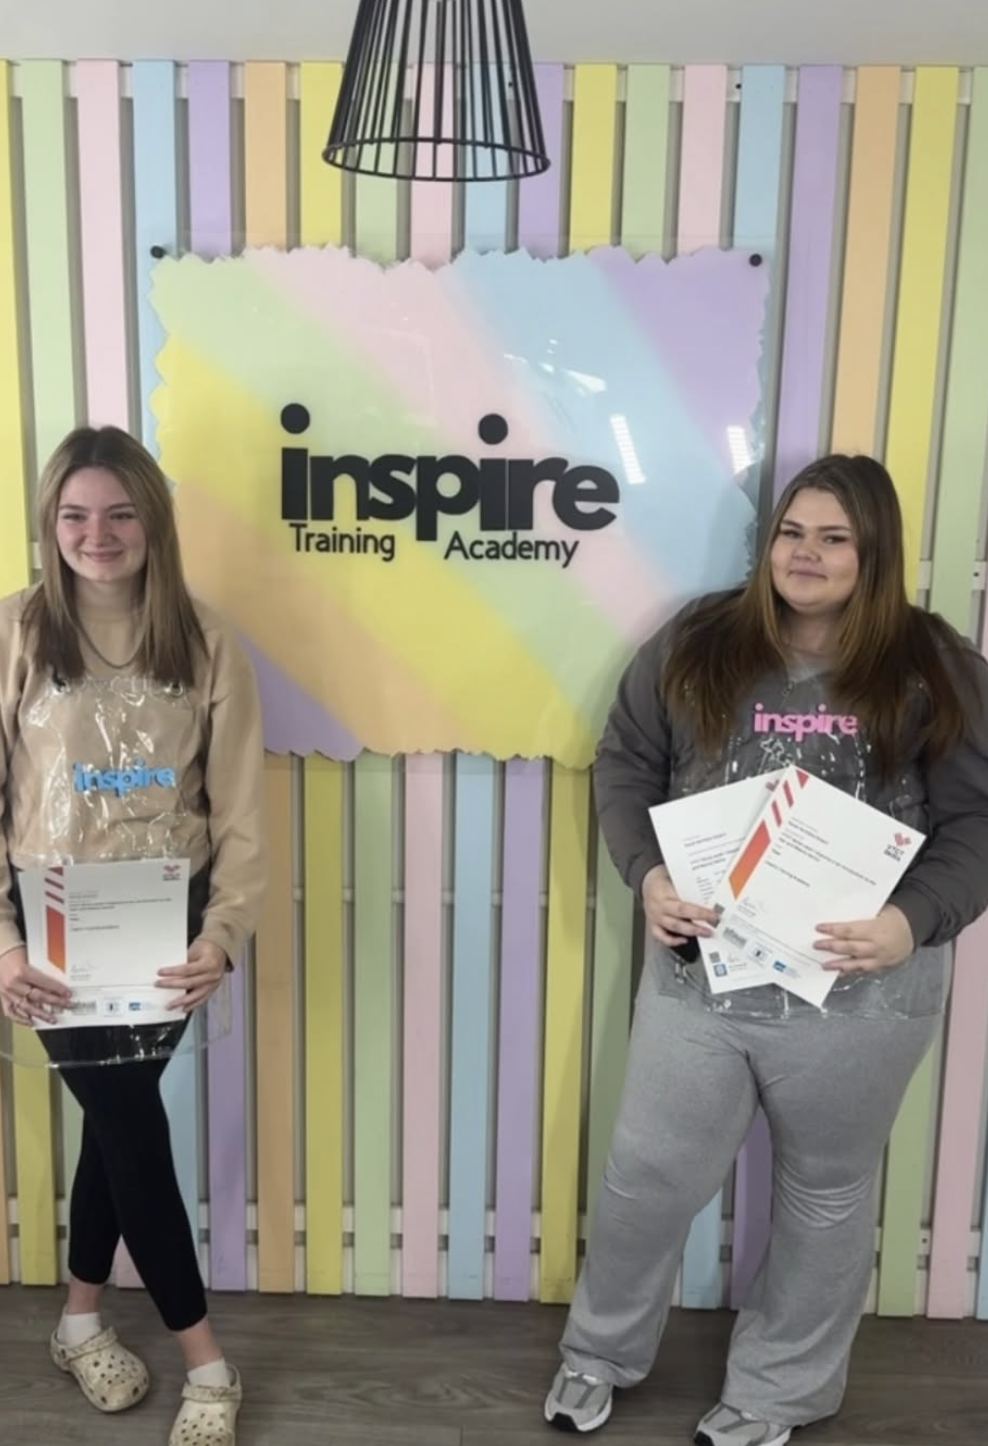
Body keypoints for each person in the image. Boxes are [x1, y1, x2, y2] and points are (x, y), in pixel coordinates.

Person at [543, 454, 988, 1446]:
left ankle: (780, 1392)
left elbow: (977, 824)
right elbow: (625, 758)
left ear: (871, 552)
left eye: (835, 538)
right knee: (645, 1176)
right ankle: (598, 1352)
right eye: (792, 532)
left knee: (826, 1197)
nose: (807, 554)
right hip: (703, 974)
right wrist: (646, 875)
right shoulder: (700, 638)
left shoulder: (934, 663)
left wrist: (909, 921)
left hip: (862, 993)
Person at [0, 425, 266, 1446]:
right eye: (74, 514)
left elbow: (239, 810)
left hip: (168, 938)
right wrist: (7, 949)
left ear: (153, 521)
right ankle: (206, 1359)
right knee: (131, 1127)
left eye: (118, 513)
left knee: (116, 1130)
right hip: (51, 943)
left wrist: (224, 935)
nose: (96, 534)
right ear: (48, 524)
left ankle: (77, 1318)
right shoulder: (17, 636)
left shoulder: (205, 643)